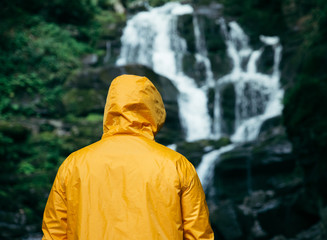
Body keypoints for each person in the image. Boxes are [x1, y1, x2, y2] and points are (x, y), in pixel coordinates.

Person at [42, 74, 214, 240]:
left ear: (110, 108)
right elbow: (198, 234)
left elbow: (54, 233)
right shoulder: (176, 164)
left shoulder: (74, 164)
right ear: (154, 109)